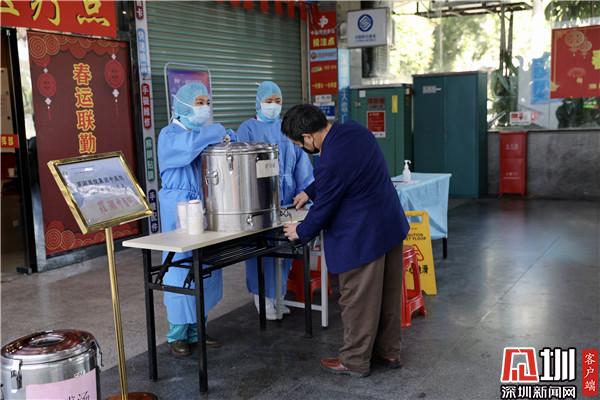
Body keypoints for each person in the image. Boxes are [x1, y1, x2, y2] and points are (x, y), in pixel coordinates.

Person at [281, 104, 410, 377]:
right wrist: (309, 191)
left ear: (308, 137)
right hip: (389, 225)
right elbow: (344, 173)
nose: (302, 148)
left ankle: (354, 360)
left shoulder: (330, 160)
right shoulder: (354, 131)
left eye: (299, 144)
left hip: (362, 236)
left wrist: (301, 231)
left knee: (358, 300)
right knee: (388, 296)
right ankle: (389, 352)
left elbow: (325, 207)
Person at [157, 82, 231, 357]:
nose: (205, 108)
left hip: (203, 202)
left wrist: (226, 137)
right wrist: (217, 131)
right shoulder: (170, 134)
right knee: (180, 267)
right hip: (178, 206)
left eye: (207, 102)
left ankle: (199, 329)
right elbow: (188, 148)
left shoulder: (201, 134)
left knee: (205, 265)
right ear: (183, 105)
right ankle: (177, 334)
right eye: (199, 102)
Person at [236, 81, 314, 320]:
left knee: (283, 250)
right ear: (258, 102)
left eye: (277, 101)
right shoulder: (248, 129)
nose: (273, 105)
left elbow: (302, 164)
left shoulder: (288, 128)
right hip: (258, 200)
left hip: (287, 200)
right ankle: (261, 297)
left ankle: (278, 296)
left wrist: (306, 194)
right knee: (260, 251)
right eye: (268, 101)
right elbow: (241, 167)